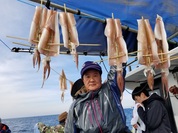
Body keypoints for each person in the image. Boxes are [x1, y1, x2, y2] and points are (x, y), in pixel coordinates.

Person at [65, 61, 131, 133]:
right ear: (83, 80)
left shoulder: (110, 89)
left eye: (95, 75)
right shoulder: (75, 106)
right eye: (88, 76)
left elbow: (118, 64)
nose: (92, 80)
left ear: (101, 78)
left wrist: (117, 58)